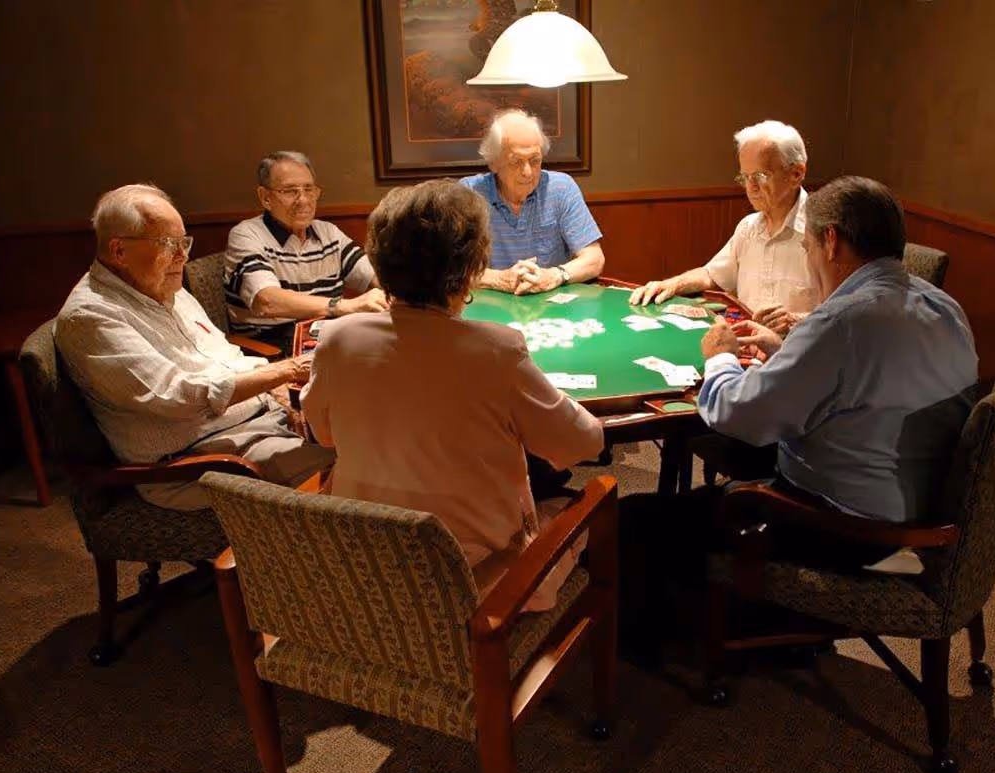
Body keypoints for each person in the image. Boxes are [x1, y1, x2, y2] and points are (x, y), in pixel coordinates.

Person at [619, 176, 978, 654]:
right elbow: (869, 385)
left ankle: (651, 642)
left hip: (852, 531)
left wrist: (721, 357)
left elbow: (738, 414)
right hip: (928, 511)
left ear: (831, 242)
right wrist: (788, 350)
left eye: (807, 246)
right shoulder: (944, 307)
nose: (810, 261)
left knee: (635, 518)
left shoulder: (840, 321)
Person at [301, 180, 604, 611]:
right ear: (469, 270)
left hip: (366, 565)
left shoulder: (336, 338)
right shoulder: (498, 349)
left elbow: (325, 435)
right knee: (586, 499)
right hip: (476, 584)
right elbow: (583, 443)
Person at [56, 184, 334, 510]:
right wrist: (285, 369)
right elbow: (177, 395)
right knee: (352, 461)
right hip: (196, 463)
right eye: (168, 244)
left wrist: (277, 393)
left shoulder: (163, 286)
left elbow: (224, 357)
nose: (182, 257)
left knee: (363, 432)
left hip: (252, 425)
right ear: (119, 251)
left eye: (183, 243)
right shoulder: (91, 316)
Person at [630, 120, 820, 335]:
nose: (751, 187)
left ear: (796, 174)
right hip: (751, 349)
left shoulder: (824, 232)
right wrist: (672, 285)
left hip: (801, 354)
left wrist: (796, 320)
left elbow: (849, 310)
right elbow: (712, 275)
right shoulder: (747, 227)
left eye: (760, 176)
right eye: (745, 177)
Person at [224, 151, 388, 353]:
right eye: (290, 191)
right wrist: (345, 306)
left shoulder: (328, 233)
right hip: (273, 350)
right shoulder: (246, 235)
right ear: (265, 197)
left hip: (329, 337)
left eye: (309, 189)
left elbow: (375, 275)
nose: (303, 200)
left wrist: (396, 291)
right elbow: (267, 301)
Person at [460, 109, 605, 296]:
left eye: (535, 160)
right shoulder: (470, 194)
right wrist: (498, 279)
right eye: (516, 162)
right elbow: (448, 269)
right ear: (493, 162)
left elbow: (594, 259)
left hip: (552, 308)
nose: (527, 172)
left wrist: (555, 275)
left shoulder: (561, 188)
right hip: (490, 308)